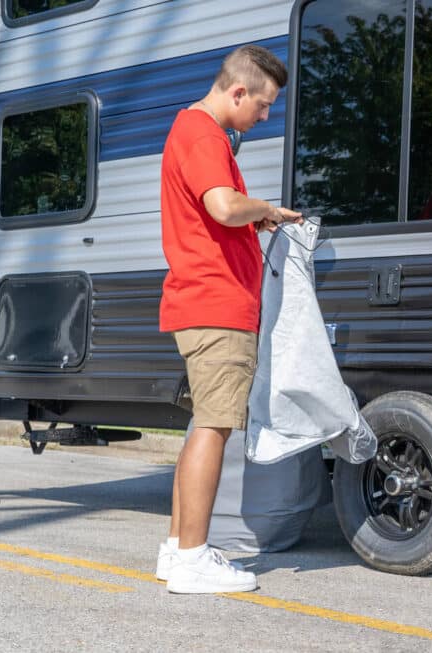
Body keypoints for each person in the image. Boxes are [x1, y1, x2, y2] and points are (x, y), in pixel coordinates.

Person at [156, 44, 302, 594]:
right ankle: (193, 559)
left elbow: (213, 215)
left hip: (205, 302)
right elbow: (220, 205)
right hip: (216, 306)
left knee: (203, 426)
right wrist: (264, 209)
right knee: (214, 429)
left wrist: (249, 222)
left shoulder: (194, 133)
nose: (264, 117)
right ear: (238, 91)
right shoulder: (204, 134)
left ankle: (177, 549)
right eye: (262, 105)